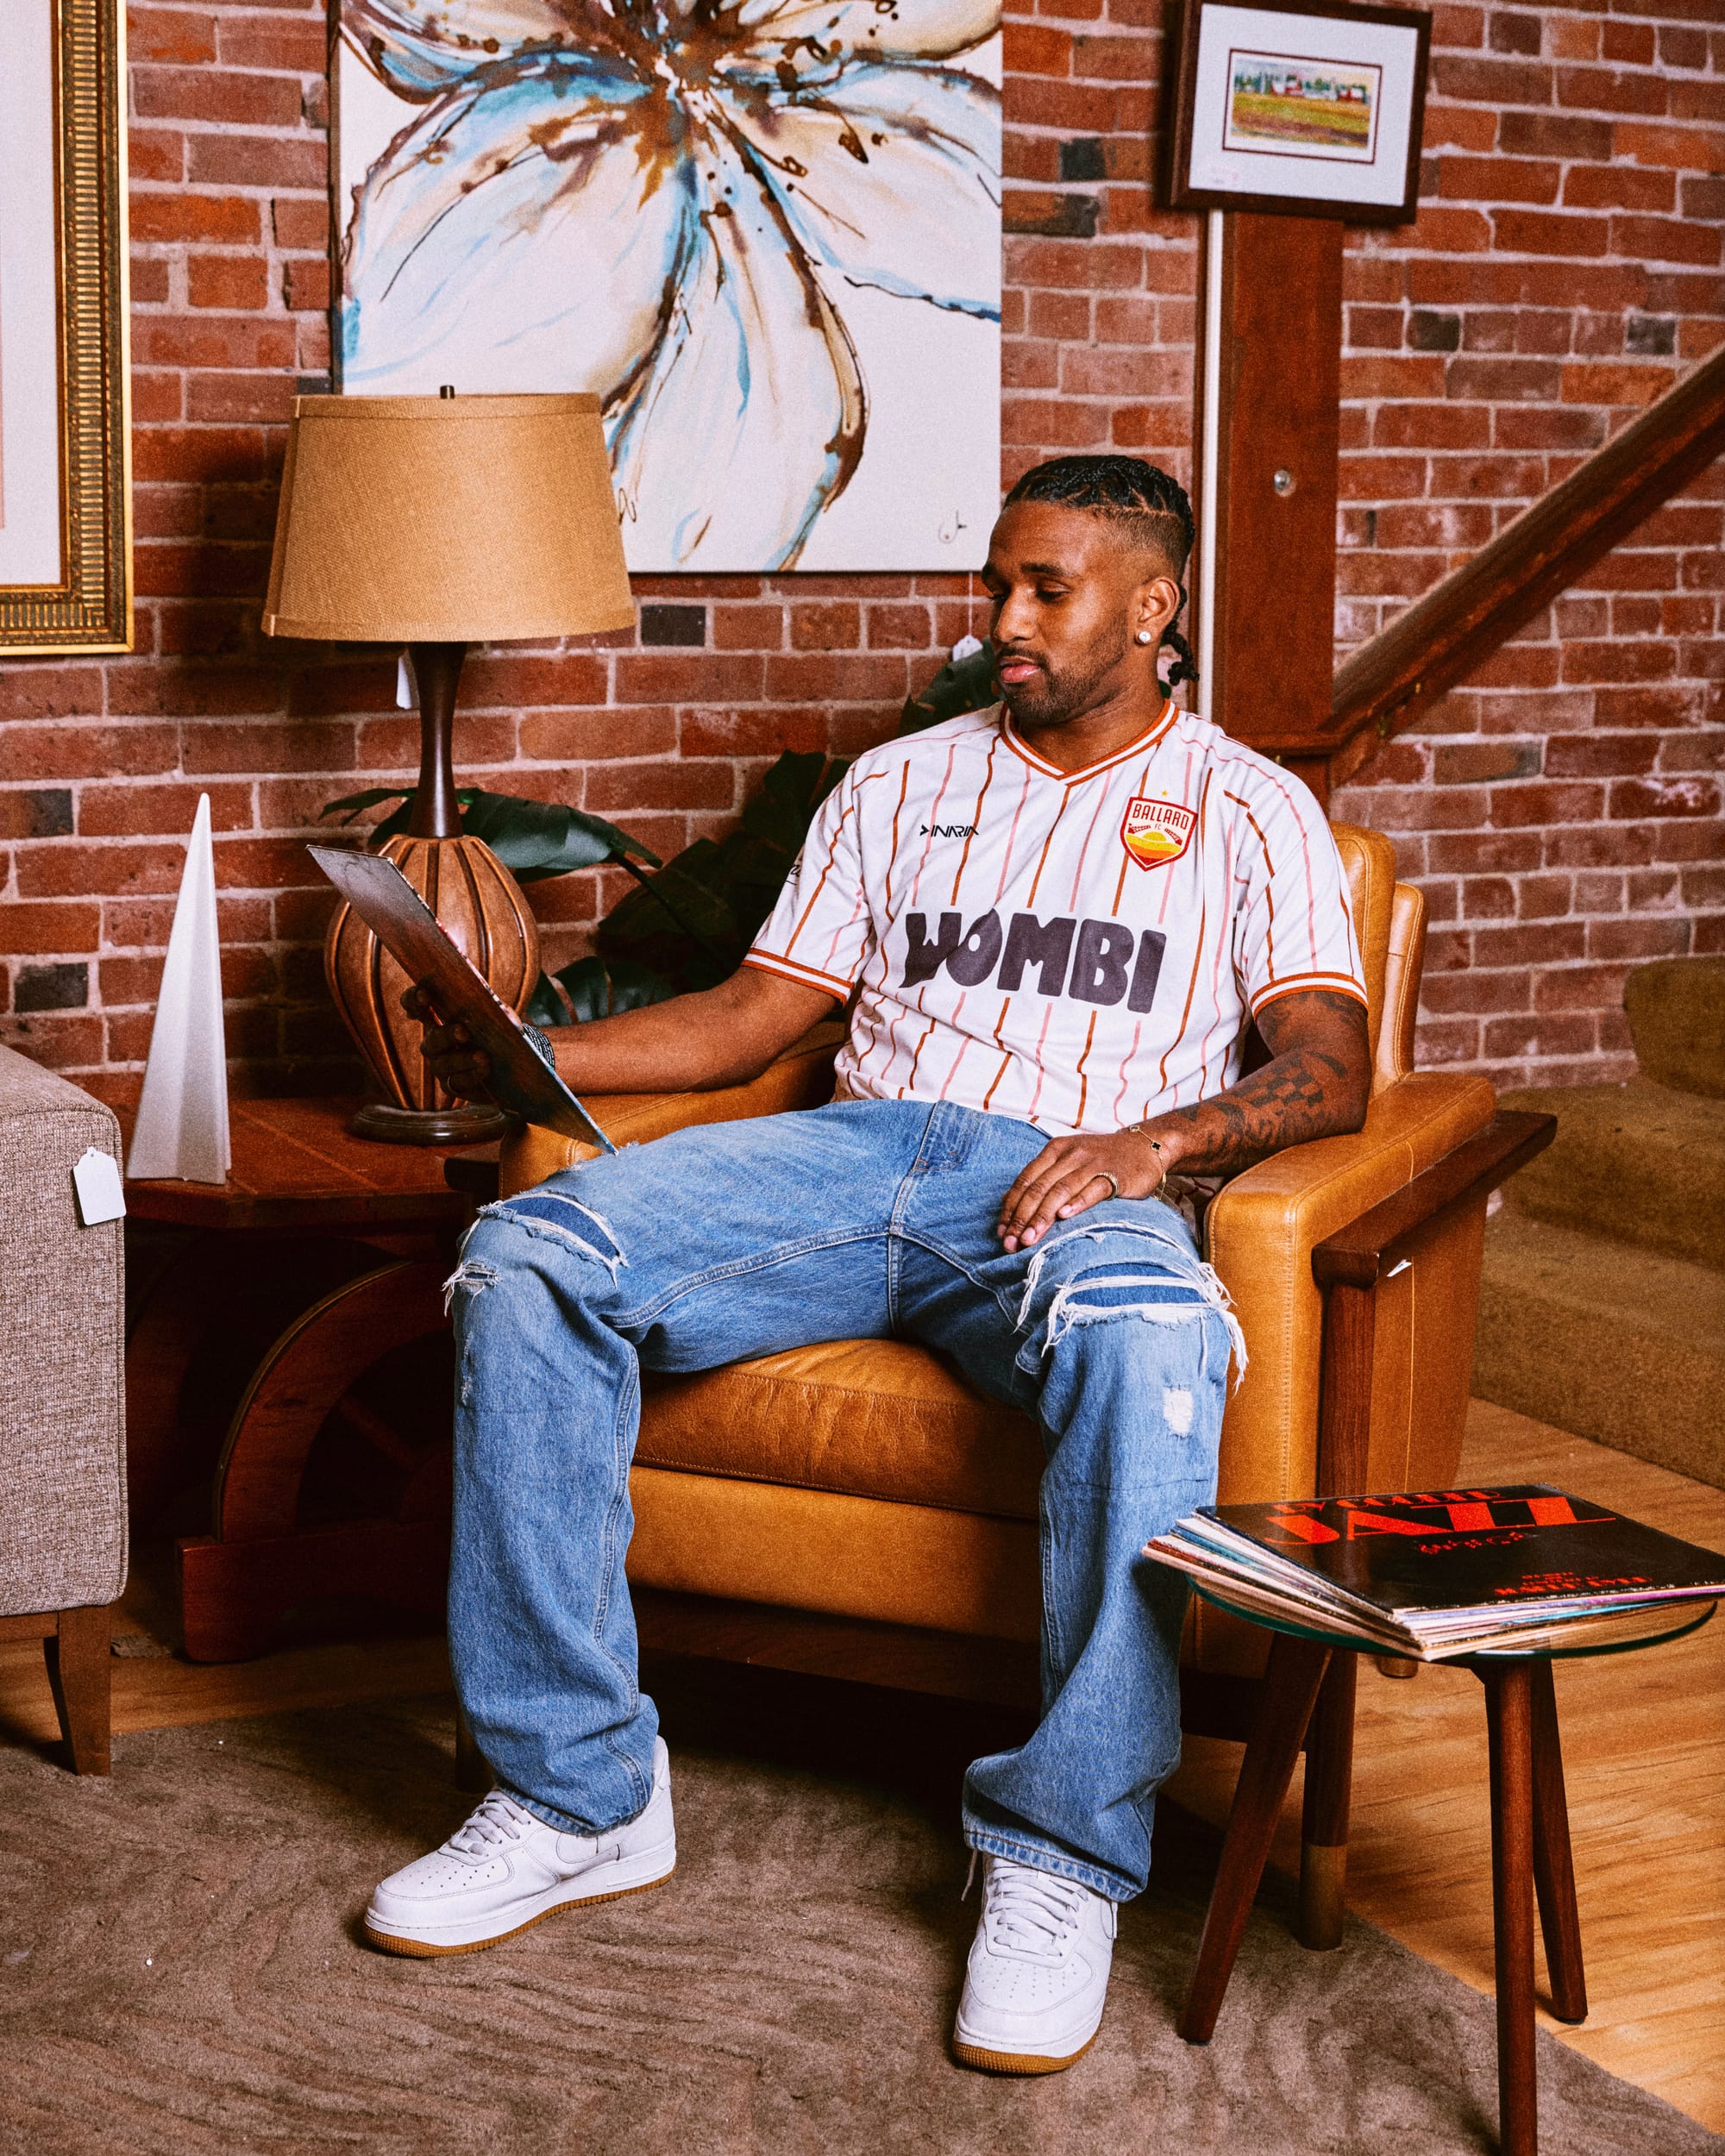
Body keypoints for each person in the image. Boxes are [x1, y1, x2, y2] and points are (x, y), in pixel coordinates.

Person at [364, 454, 1371, 2077]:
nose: (1005, 620)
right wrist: (530, 1058)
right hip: (857, 1157)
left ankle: (1058, 1857)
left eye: (1047, 590)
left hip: (1075, 1178)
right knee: (526, 1255)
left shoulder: (1251, 811)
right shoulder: (899, 784)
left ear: (1157, 603)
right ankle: (576, 1791)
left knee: (1149, 1346)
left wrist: (1155, 1148)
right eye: (998, 586)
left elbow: (1331, 1068)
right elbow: (756, 1017)